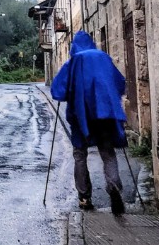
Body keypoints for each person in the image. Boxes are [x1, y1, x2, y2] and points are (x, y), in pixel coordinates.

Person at [51, 30, 128, 214]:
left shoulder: (73, 61)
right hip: (105, 115)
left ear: (74, 46)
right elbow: (120, 83)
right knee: (107, 153)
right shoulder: (104, 58)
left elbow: (57, 92)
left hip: (81, 117)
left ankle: (84, 197)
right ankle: (114, 187)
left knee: (80, 155)